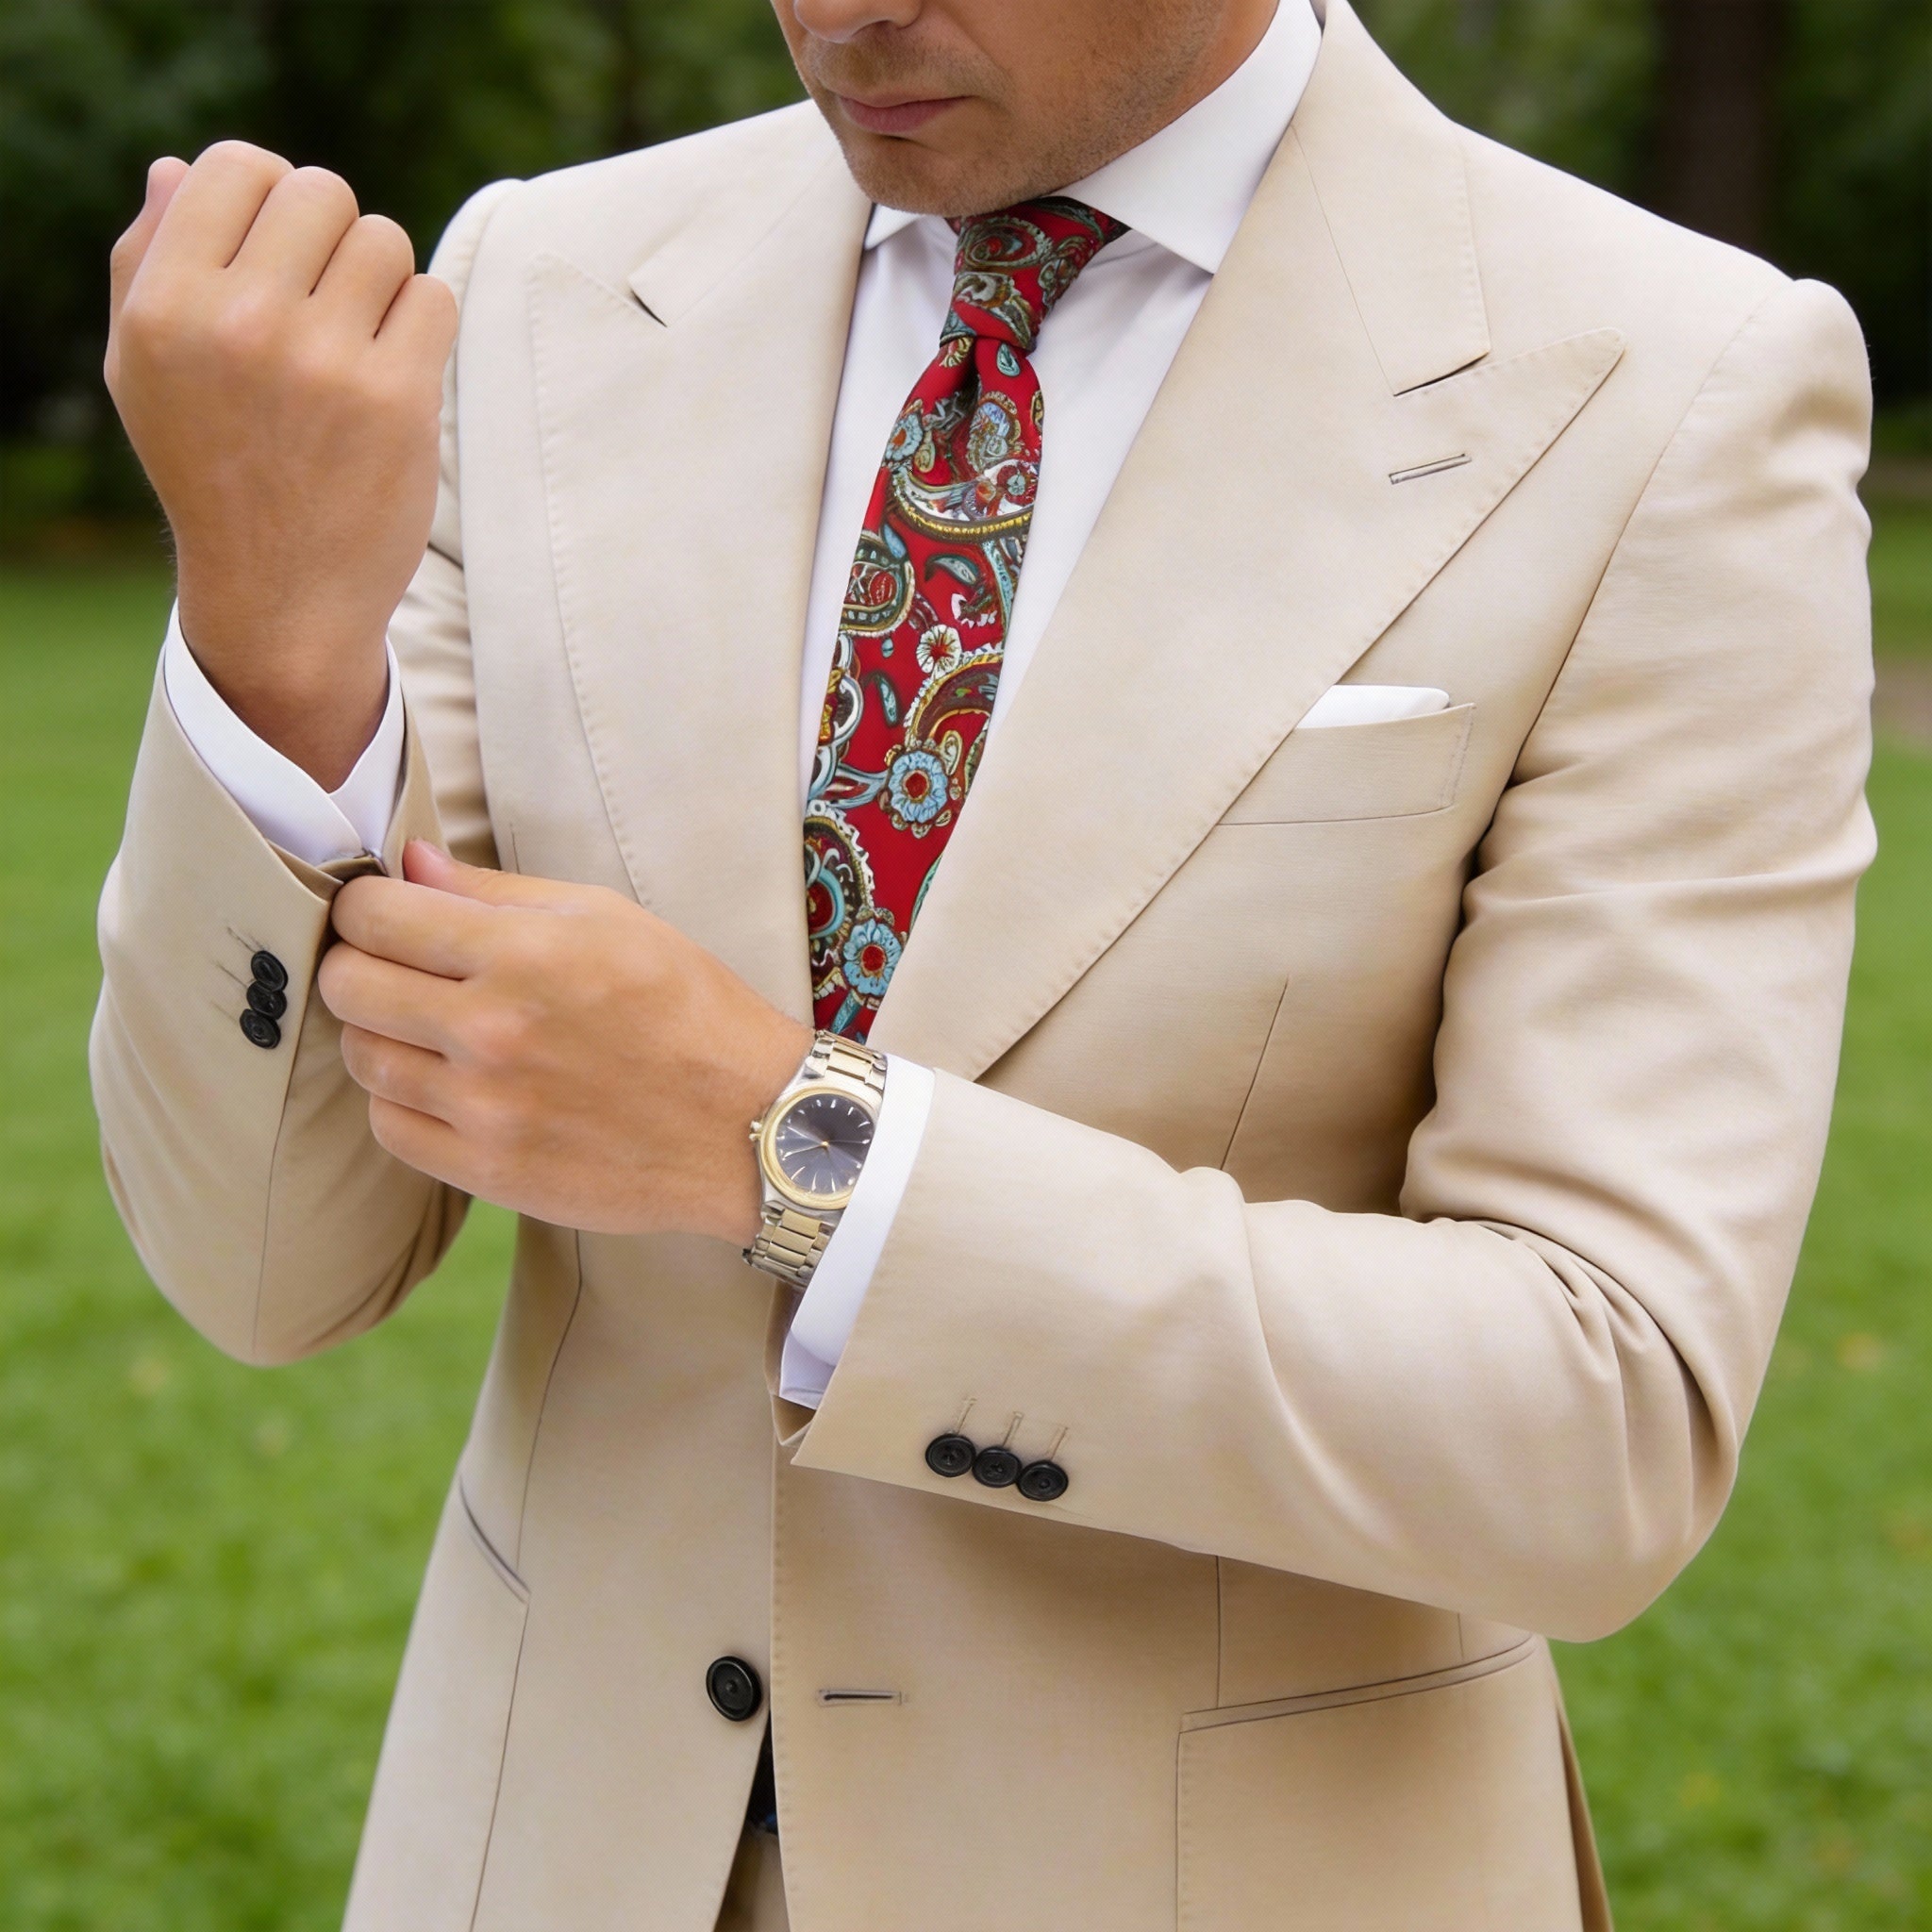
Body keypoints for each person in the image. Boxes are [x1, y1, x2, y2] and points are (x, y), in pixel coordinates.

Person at [92, 0, 1874, 1925]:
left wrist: (798, 1152)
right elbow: (270, 1271)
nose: (841, 9)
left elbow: (1592, 1432)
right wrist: (271, 640)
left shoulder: (1668, 382)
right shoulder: (542, 286)